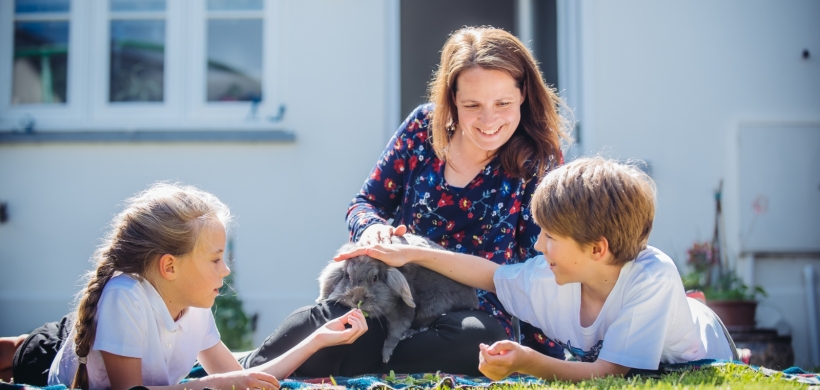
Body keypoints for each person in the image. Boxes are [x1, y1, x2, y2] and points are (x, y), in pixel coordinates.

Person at [241, 26, 571, 376]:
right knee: (337, 320)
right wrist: (372, 229)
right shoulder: (422, 127)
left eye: (503, 104)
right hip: (395, 300)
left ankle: (350, 362)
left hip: (469, 318)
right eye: (472, 105)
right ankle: (250, 368)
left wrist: (540, 359)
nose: (489, 120)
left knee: (479, 339)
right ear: (452, 99)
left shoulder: (539, 162)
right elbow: (365, 203)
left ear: (523, 95)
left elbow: (537, 273)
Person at [335, 157, 737, 382]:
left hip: (704, 346)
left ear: (597, 249)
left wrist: (525, 361)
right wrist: (412, 254)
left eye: (550, 237)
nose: (538, 245)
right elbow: (489, 275)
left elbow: (608, 374)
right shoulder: (552, 279)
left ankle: (709, 323)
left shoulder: (653, 276)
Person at [1, 183, 368, 389]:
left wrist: (320, 336)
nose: (225, 271)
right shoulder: (124, 297)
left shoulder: (193, 305)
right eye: (214, 259)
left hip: (94, 337)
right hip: (52, 355)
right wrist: (213, 386)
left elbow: (246, 378)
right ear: (169, 267)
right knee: (13, 353)